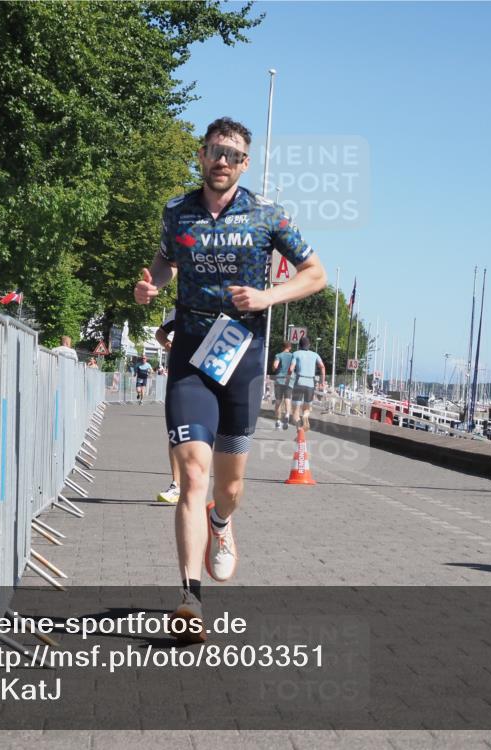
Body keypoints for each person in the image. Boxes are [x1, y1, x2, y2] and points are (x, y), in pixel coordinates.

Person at [133, 116, 326, 640]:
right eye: (214, 150)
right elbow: (166, 260)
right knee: (193, 477)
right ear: (200, 155)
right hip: (192, 355)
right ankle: (189, 599)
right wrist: (151, 284)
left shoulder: (268, 215)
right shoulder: (177, 211)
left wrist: (266, 297)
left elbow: (316, 274)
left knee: (229, 486)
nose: (222, 160)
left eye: (233, 154)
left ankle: (222, 523)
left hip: (243, 357)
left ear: (244, 164)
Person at [155, 309, 181, 504]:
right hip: (182, 375)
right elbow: (160, 332)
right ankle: (176, 485)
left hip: (215, 377)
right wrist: (167, 343)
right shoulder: (179, 310)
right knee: (177, 431)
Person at [288, 336, 326, 431]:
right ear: (309, 345)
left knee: (295, 409)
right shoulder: (315, 355)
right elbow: (322, 367)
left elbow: (291, 369)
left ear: (299, 345)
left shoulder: (296, 354)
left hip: (299, 382)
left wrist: (288, 377)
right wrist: (322, 381)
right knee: (307, 407)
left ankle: (299, 428)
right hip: (310, 384)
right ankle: (305, 416)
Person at [271, 340, 295, 430]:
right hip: (289, 380)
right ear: (290, 347)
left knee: (278, 401)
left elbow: (275, 366)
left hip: (279, 379)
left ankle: (278, 422)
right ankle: (287, 415)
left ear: (282, 347)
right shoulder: (293, 356)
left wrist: (273, 368)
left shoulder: (278, 355)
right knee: (288, 399)